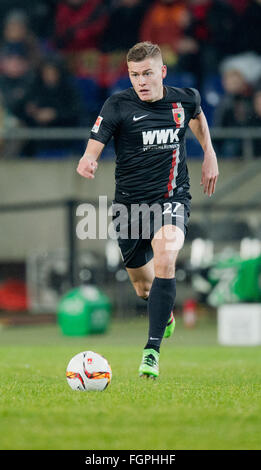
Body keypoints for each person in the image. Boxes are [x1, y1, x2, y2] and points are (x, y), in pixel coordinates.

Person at [77, 41, 218, 379]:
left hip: (172, 197)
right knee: (144, 287)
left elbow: (197, 117)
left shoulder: (185, 98)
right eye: (134, 75)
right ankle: (163, 312)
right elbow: (97, 140)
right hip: (130, 208)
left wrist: (209, 154)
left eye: (147, 74)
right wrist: (88, 158)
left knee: (167, 255)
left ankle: (151, 350)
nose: (141, 81)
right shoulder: (118, 105)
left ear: (162, 72)